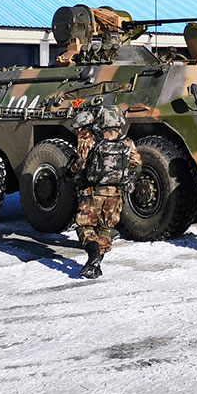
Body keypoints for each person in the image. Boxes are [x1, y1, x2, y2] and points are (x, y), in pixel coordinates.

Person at [71, 106, 141, 279]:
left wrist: (71, 170)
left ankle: (93, 257)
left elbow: (81, 164)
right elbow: (137, 164)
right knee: (105, 228)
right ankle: (96, 266)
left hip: (93, 191)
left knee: (84, 226)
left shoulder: (92, 139)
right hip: (116, 194)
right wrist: (129, 181)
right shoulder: (127, 142)